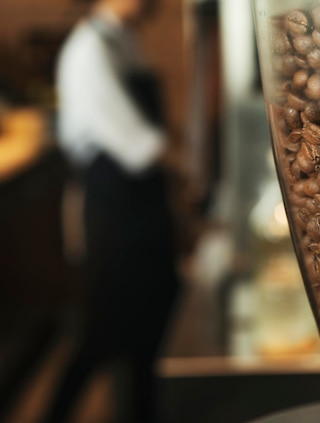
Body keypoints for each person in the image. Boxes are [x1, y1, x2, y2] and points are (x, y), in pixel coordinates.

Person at [45, 0, 180, 421]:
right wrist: (190, 168)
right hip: (115, 205)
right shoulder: (88, 50)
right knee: (103, 328)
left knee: (152, 325)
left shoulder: (124, 41)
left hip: (143, 201)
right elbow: (137, 142)